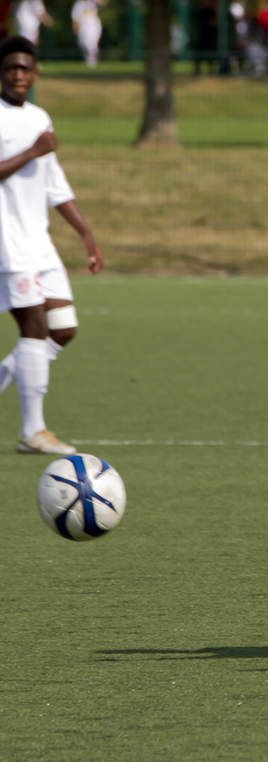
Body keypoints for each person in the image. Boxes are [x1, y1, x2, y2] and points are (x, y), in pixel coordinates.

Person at [0, 35, 104, 455]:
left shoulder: (41, 117)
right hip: (7, 244)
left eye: (25, 68)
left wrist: (84, 231)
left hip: (39, 244)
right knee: (34, 327)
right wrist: (32, 150)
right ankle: (33, 430)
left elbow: (54, 184)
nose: (19, 75)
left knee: (63, 329)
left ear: (35, 73)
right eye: (11, 68)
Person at [70, 0, 102, 68]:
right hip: (83, 27)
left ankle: (92, 62)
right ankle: (91, 59)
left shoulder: (93, 2)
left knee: (91, 44)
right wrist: (75, 28)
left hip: (94, 26)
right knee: (82, 44)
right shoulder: (79, 4)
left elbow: (103, 2)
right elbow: (75, 18)